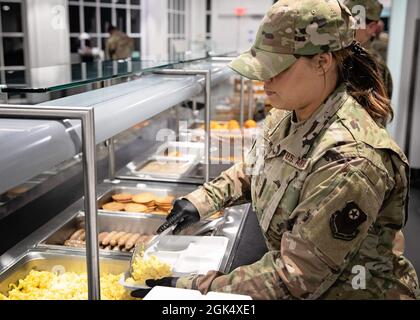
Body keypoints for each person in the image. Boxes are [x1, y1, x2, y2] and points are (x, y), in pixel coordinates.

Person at [133, 0, 420, 300]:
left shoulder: (351, 159)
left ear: (323, 62)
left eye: (276, 68)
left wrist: (191, 287)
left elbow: (295, 276)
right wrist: (202, 200)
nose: (263, 79)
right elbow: (256, 165)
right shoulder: (289, 112)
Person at [344, 0, 393, 98]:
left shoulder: (374, 68)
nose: (343, 27)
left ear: (371, 27)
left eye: (352, 22)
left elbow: (377, 111)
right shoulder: (336, 55)